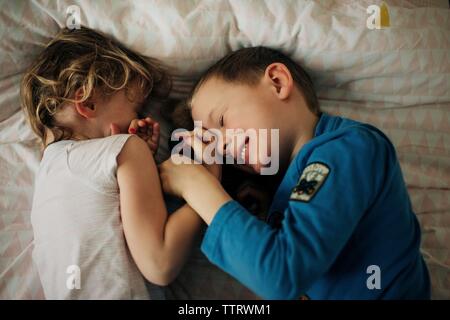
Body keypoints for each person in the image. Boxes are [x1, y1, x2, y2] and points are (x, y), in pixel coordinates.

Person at [159, 46, 431, 299]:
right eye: (214, 144)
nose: (223, 146)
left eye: (221, 121)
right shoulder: (285, 189)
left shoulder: (349, 148)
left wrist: (197, 186)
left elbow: (282, 274)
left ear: (277, 82)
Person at [22, 27, 203, 299]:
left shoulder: (46, 179)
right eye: (136, 110)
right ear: (88, 103)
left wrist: (144, 168)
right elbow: (160, 264)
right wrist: (207, 179)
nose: (136, 120)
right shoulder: (126, 148)